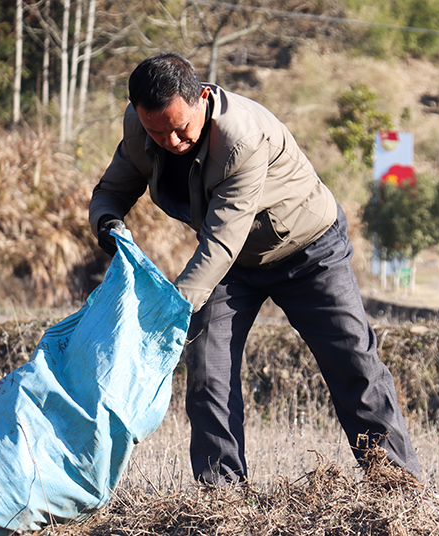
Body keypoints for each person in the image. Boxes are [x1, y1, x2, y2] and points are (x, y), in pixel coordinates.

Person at [89, 52, 421, 485]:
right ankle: (222, 498)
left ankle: (396, 485)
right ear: (136, 112)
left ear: (202, 98)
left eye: (180, 128)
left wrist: (171, 307)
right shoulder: (140, 129)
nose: (170, 141)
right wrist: (109, 226)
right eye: (157, 130)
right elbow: (111, 190)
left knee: (352, 361)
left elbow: (223, 239)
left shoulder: (242, 137)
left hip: (308, 251)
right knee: (208, 373)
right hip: (232, 267)